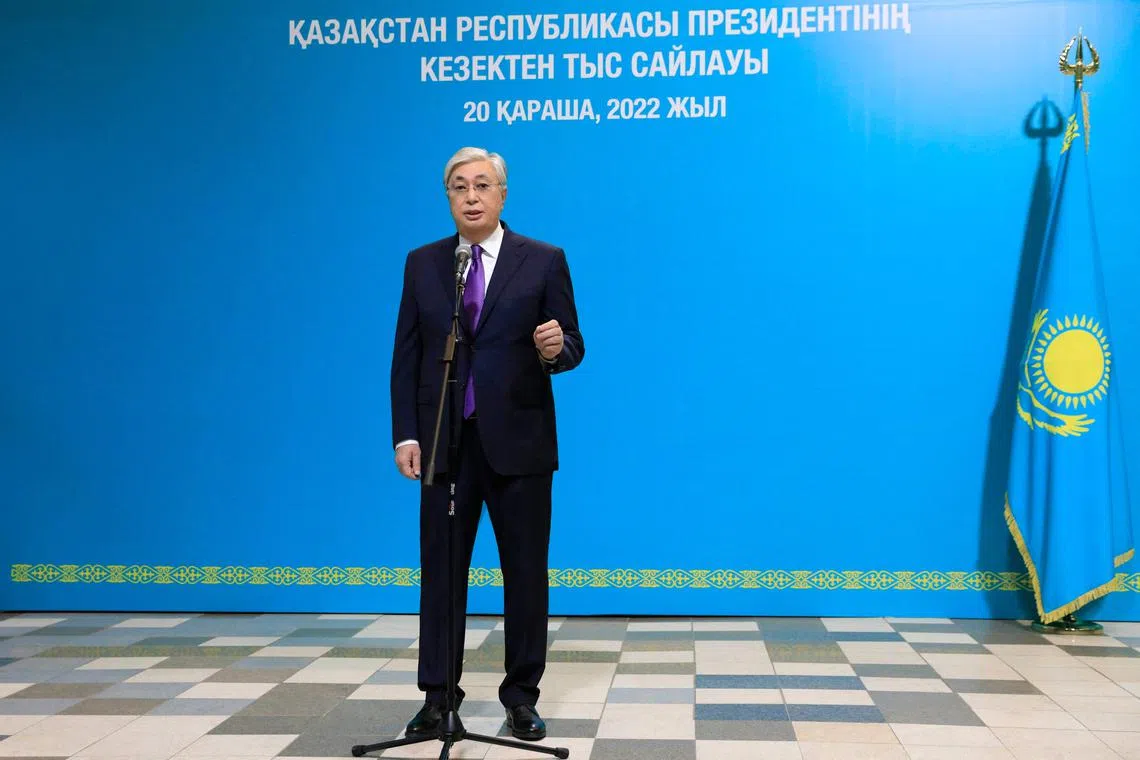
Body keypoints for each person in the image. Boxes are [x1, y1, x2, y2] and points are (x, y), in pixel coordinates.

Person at [389, 147, 585, 742]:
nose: (470, 196)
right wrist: (406, 432)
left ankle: (521, 696)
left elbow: (573, 344)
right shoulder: (424, 264)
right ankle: (437, 698)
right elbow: (407, 356)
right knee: (441, 573)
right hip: (445, 441)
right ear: (447, 197)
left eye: (482, 185)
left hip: (520, 444)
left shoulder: (544, 260)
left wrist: (556, 349)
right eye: (458, 187)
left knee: (525, 573)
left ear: (502, 195)